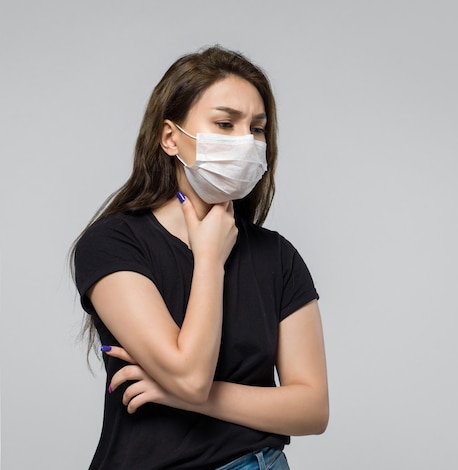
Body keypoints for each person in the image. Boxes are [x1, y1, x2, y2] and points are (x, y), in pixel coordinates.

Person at [71, 45, 329, 469]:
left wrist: (188, 396)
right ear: (171, 137)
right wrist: (208, 260)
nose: (245, 142)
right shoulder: (114, 243)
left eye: (257, 129)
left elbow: (312, 409)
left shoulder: (278, 256)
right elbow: (190, 376)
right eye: (225, 124)